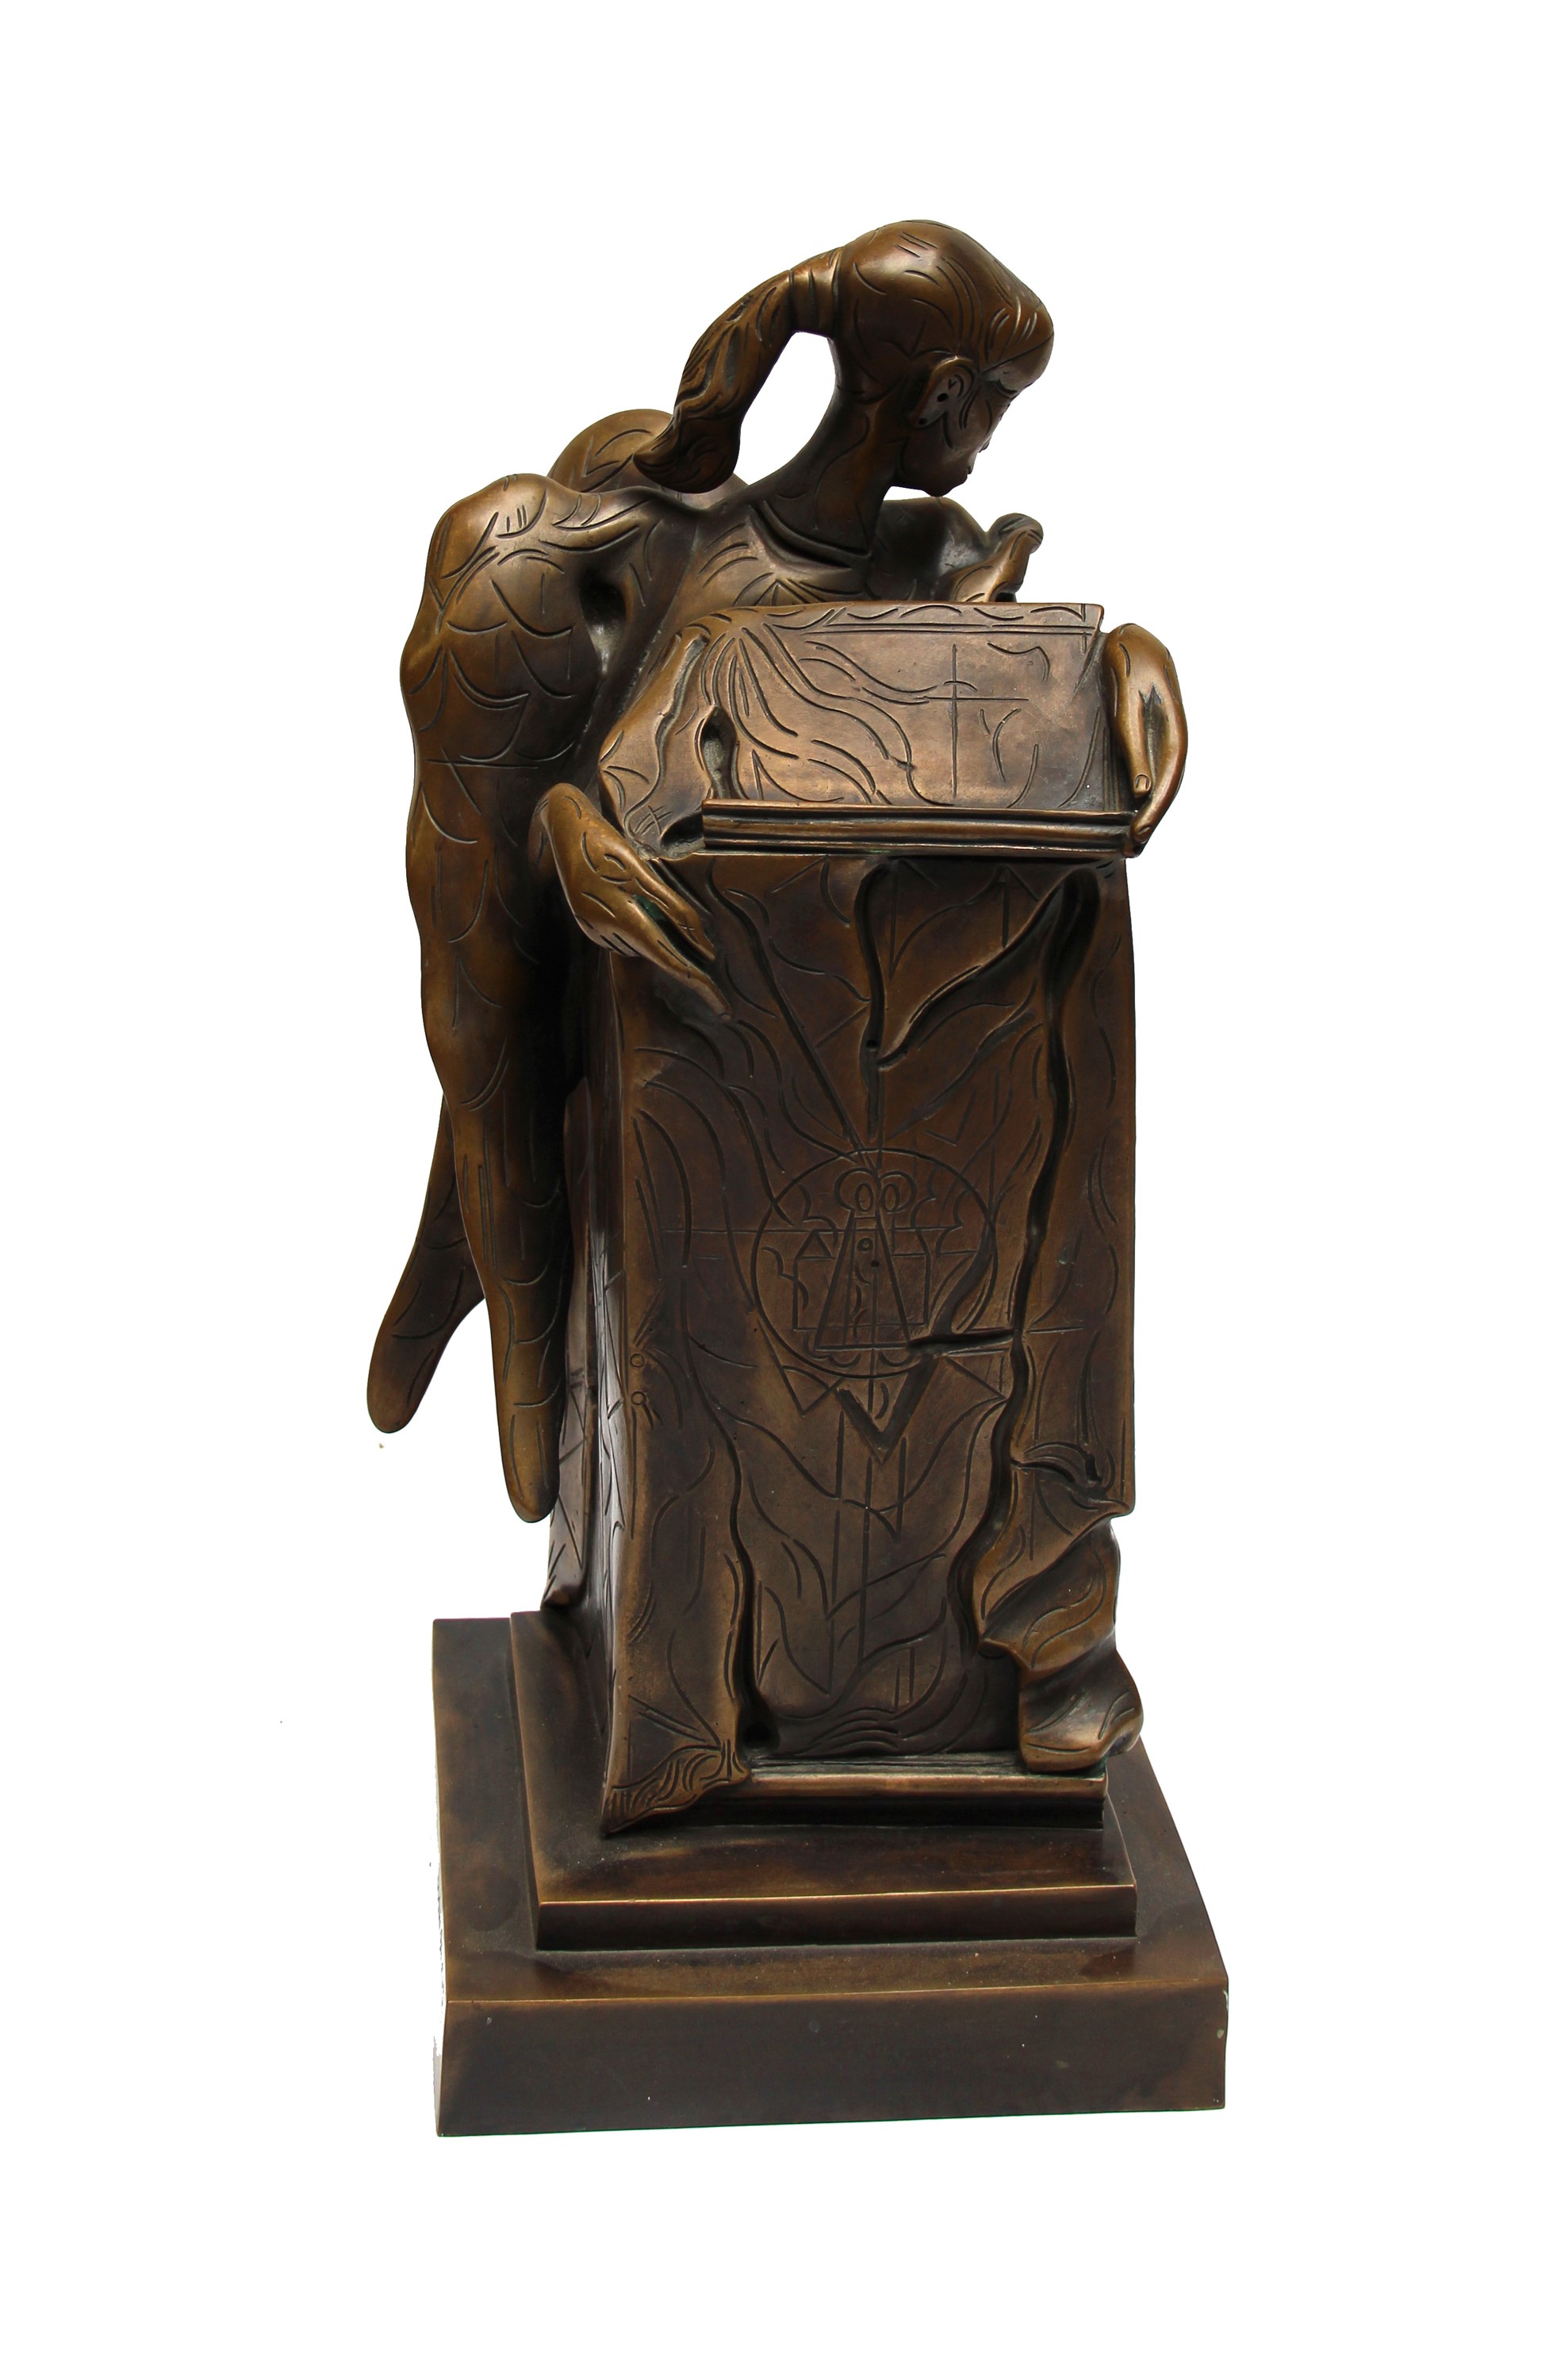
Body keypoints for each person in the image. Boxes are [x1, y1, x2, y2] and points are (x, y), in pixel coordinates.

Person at [368, 219, 1183, 1542]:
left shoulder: (932, 561)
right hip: (682, 1052)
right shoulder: (642, 547)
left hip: (844, 1068)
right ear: (942, 396)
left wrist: (1124, 660)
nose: (985, 448)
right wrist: (566, 832)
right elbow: (547, 831)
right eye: (990, 410)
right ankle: (484, 1280)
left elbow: (1010, 697)